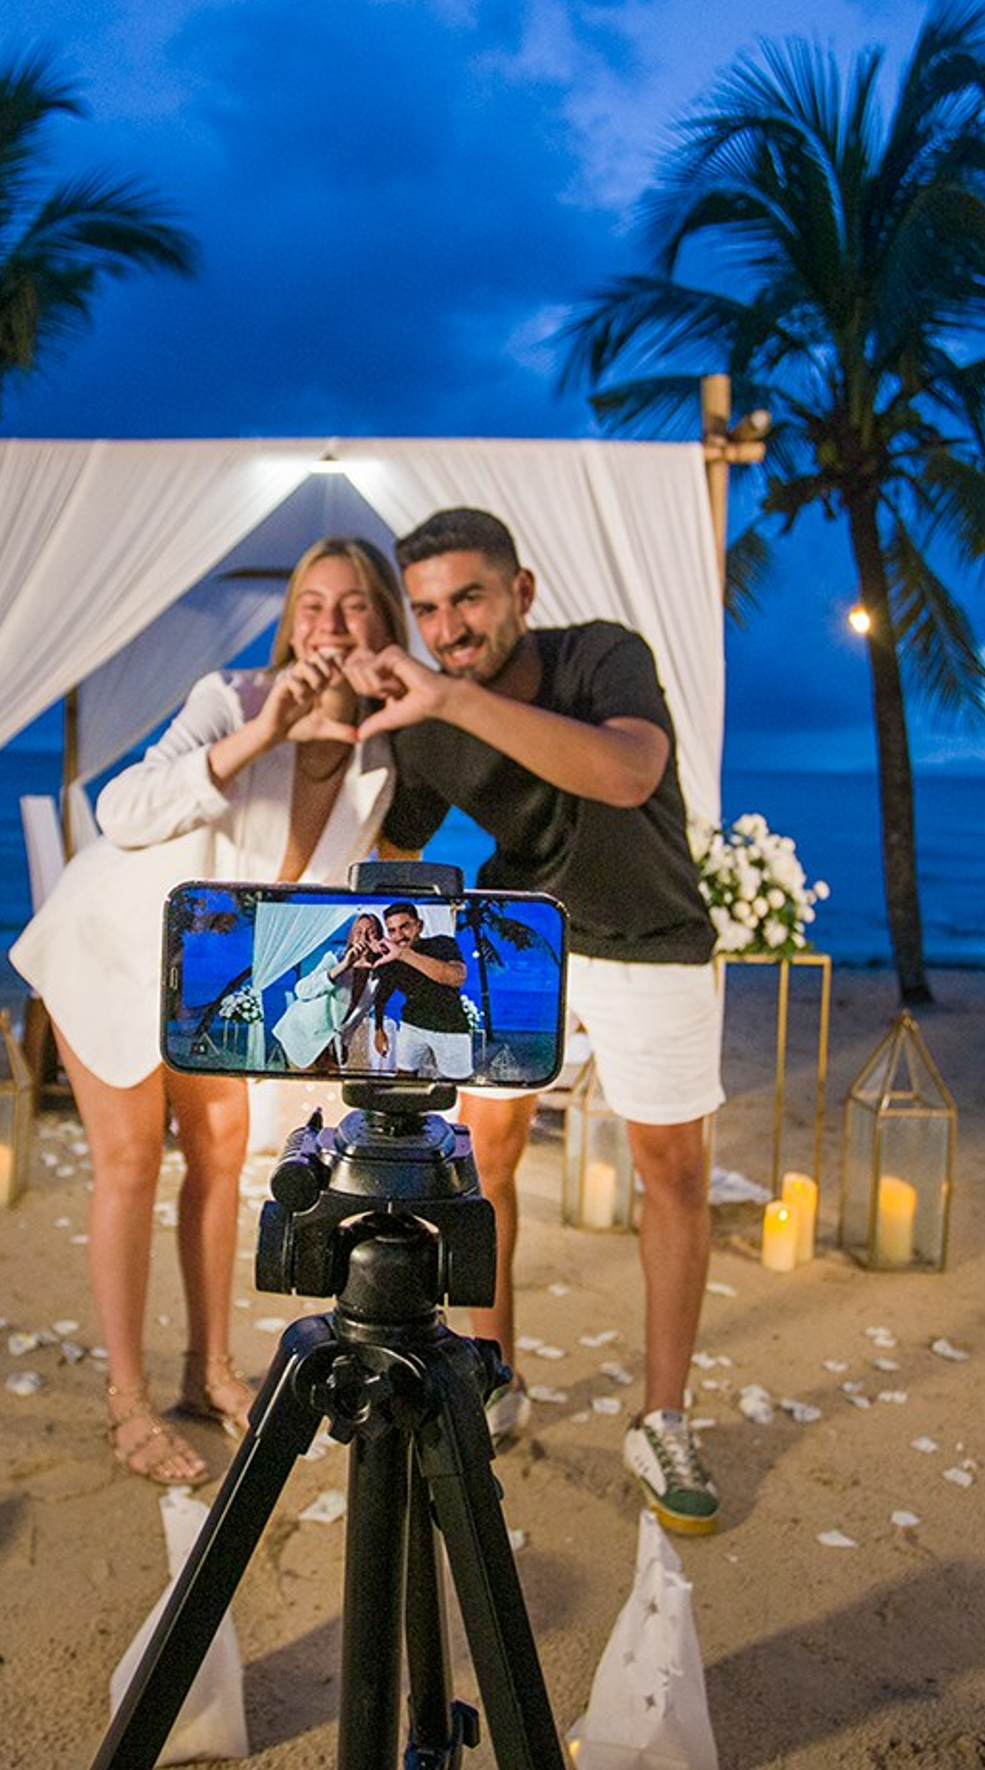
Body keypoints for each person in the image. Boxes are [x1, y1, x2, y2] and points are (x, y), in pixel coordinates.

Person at [343, 507, 725, 1535]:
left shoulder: (602, 656)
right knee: (487, 1160)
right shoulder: (423, 711)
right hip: (523, 944)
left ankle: (664, 1414)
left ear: (522, 591)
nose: (447, 625)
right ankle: (496, 1374)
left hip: (649, 932)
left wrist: (455, 701)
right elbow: (398, 855)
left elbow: (627, 772)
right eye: (425, 608)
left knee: (675, 1174)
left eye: (467, 596)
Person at [10, 537, 408, 1484]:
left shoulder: (384, 752)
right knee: (131, 1159)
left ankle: (207, 1370)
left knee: (224, 1156)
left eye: (354, 607)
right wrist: (262, 734)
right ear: (289, 622)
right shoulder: (230, 696)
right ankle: (126, 1400)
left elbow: (329, 896)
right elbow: (122, 810)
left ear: (384, 626)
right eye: (313, 605)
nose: (330, 624)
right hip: (113, 947)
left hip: (216, 977)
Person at [370, 899, 474, 1080]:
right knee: (403, 1077)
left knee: (457, 1083)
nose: (399, 935)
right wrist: (379, 1029)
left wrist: (404, 954)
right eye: (392, 930)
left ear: (419, 926)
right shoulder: (390, 959)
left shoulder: (442, 943)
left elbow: (457, 977)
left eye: (405, 927)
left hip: (450, 1028)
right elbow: (382, 995)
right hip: (412, 1024)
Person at [273, 912, 386, 1074]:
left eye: (371, 932)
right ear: (352, 937)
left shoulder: (377, 976)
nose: (364, 937)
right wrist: (344, 966)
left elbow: (358, 1014)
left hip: (330, 1045)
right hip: (302, 1036)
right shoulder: (334, 959)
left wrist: (345, 1043)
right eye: (359, 932)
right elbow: (302, 991)